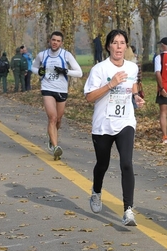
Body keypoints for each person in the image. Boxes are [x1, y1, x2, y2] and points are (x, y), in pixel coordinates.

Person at [84, 29, 145, 226]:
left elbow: (133, 85)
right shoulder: (99, 69)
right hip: (103, 124)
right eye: (115, 43)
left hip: (125, 122)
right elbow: (89, 97)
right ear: (109, 46)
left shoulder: (132, 67)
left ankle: (128, 210)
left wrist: (136, 97)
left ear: (126, 46)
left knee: (126, 163)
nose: (119, 47)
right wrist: (111, 84)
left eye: (122, 43)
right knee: (102, 164)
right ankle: (96, 191)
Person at [31, 31, 83, 160]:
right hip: (47, 88)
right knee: (52, 118)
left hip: (61, 90)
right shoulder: (42, 55)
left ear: (61, 43)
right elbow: (32, 67)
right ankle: (55, 147)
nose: (55, 42)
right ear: (50, 40)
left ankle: (51, 137)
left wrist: (65, 71)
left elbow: (79, 73)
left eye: (58, 41)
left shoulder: (66, 55)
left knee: (58, 120)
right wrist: (39, 71)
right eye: (53, 40)